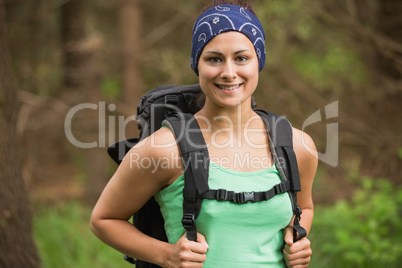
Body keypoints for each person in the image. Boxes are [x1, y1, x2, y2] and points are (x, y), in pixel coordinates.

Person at [90, 1, 317, 267]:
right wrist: (167, 255)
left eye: (242, 58)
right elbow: (103, 220)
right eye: (214, 59)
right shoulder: (165, 149)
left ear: (259, 62)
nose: (228, 73)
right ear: (197, 64)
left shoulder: (296, 145)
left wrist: (297, 237)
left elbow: (305, 208)